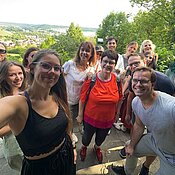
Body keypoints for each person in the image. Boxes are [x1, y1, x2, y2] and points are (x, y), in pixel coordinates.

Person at [0, 49, 76, 175]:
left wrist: (72, 147)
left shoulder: (57, 95)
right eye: (46, 66)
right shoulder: (19, 103)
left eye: (56, 68)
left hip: (66, 155)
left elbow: (67, 124)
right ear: (32, 68)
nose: (52, 71)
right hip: (40, 170)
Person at [115, 53, 175, 175]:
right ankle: (128, 172)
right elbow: (138, 124)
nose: (138, 85)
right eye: (135, 81)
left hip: (172, 156)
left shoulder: (170, 106)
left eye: (143, 81)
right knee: (128, 146)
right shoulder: (136, 102)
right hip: (154, 141)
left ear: (152, 85)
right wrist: (132, 145)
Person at [76, 50, 122, 163]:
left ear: (115, 65)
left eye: (111, 62)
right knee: (86, 138)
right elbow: (82, 98)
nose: (108, 65)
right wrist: (80, 115)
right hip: (90, 118)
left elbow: (120, 98)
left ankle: (97, 148)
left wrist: (118, 113)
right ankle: (84, 147)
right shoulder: (92, 79)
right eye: (105, 61)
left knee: (101, 139)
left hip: (108, 119)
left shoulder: (117, 81)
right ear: (100, 62)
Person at [63, 41, 96, 142]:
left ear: (91, 54)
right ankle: (70, 135)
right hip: (67, 99)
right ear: (79, 51)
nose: (84, 53)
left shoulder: (90, 69)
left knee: (78, 118)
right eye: (82, 50)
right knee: (68, 120)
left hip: (81, 101)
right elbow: (60, 78)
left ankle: (76, 131)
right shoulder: (70, 64)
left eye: (87, 51)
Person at [0, 61, 27, 173]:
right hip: (14, 148)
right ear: (4, 77)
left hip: (32, 144)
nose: (17, 78)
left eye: (20, 73)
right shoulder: (2, 99)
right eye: (12, 75)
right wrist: (19, 121)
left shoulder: (26, 92)